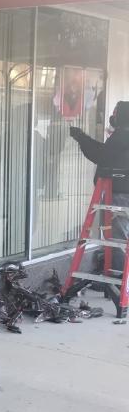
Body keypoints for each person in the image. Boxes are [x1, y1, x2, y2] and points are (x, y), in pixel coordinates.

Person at [70, 101, 129, 284]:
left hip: (120, 193)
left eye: (115, 114)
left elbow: (101, 155)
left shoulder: (122, 135)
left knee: (119, 237)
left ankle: (119, 280)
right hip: (123, 192)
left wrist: (81, 137)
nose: (112, 117)